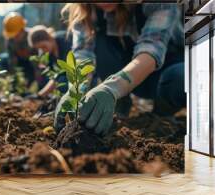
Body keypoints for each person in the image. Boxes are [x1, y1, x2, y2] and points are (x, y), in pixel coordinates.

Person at [54, 3, 186, 135]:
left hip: (162, 78)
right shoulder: (87, 11)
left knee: (181, 76)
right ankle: (119, 104)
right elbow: (83, 54)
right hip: (126, 83)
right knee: (99, 40)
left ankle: (161, 113)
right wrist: (75, 90)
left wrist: (111, 88)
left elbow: (151, 50)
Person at [27, 25, 72, 97]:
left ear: (49, 38)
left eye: (43, 46)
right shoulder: (48, 54)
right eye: (40, 49)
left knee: (62, 81)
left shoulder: (65, 40)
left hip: (74, 75)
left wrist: (40, 94)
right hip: (63, 76)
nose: (43, 50)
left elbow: (61, 74)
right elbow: (54, 76)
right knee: (47, 78)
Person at [2, 12, 38, 87]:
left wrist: (38, 76)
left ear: (22, 29)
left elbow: (38, 59)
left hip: (32, 64)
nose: (14, 37)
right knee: (3, 59)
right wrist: (14, 78)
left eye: (17, 35)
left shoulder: (32, 36)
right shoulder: (10, 40)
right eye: (13, 35)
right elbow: (12, 60)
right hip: (20, 63)